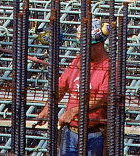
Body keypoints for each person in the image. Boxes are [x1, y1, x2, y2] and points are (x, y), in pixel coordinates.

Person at [35, 19, 110, 156]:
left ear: (98, 46)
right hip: (70, 133)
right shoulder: (79, 60)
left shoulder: (110, 67)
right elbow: (61, 86)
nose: (82, 50)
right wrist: (47, 108)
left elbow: (102, 99)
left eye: (86, 46)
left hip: (95, 135)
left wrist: (73, 111)